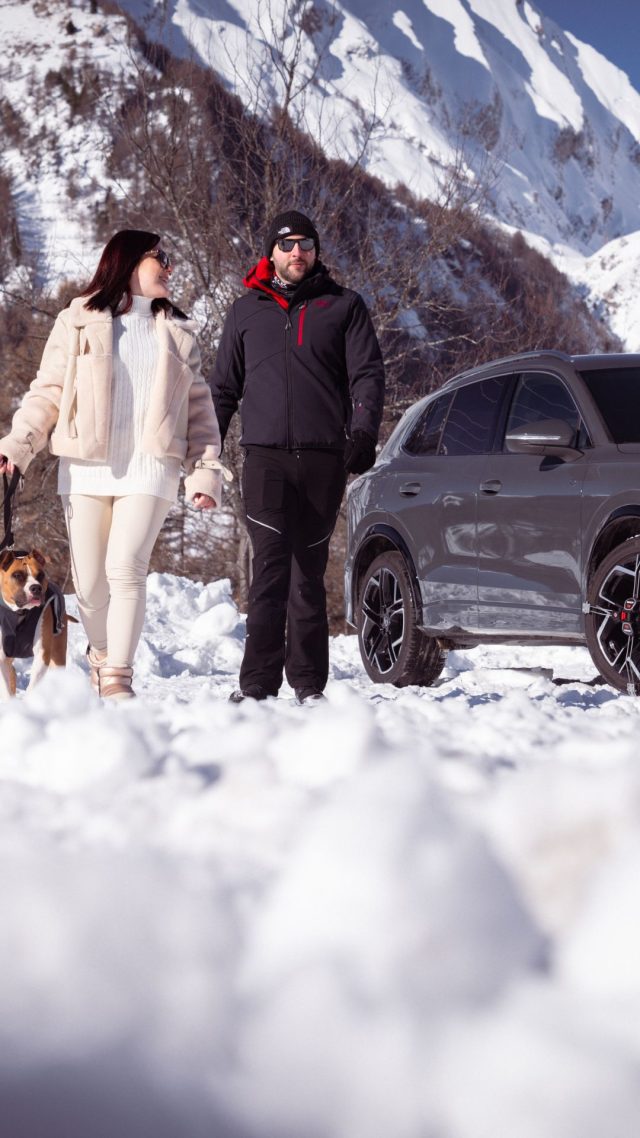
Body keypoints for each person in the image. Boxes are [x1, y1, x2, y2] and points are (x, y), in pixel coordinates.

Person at [0, 229, 228, 699]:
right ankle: (100, 652)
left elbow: (201, 412)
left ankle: (118, 677)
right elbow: (49, 391)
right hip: (85, 466)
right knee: (89, 585)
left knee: (126, 566)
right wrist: (17, 446)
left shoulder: (180, 336)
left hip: (152, 467)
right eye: (159, 257)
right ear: (126, 261)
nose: (169, 266)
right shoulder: (78, 320)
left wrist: (204, 470)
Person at [209, 208, 385, 704]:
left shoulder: (344, 306)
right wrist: (206, 449)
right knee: (268, 569)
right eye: (287, 246)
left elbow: (367, 374)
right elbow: (223, 387)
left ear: (316, 252)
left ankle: (309, 686)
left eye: (305, 245)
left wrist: (363, 433)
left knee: (307, 573)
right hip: (264, 458)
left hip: (323, 458)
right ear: (271, 254)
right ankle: (257, 685)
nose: (296, 253)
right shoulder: (245, 312)